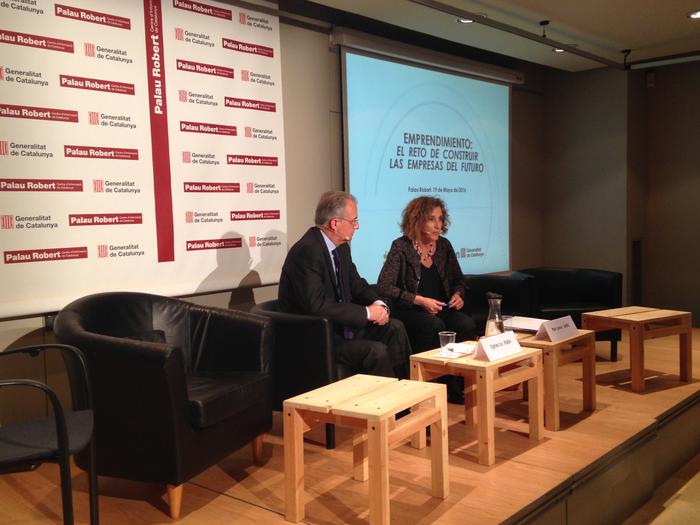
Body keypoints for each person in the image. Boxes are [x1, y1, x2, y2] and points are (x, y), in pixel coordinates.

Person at [278, 191, 411, 378]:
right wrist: (366, 313)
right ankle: (385, 397)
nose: (357, 226)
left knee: (395, 329)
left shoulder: (341, 248)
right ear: (335, 223)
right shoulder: (307, 251)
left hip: (342, 328)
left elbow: (357, 285)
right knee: (375, 352)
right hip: (317, 337)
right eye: (353, 221)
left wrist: (379, 305)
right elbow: (316, 305)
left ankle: (405, 391)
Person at [377, 196, 477, 401]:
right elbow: (384, 286)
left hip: (442, 308)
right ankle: (427, 389)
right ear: (418, 219)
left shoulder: (444, 246)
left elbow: (459, 280)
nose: (438, 225)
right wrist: (418, 300)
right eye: (432, 219)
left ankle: (455, 386)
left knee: (466, 324)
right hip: (411, 310)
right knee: (433, 325)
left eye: (440, 219)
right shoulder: (401, 247)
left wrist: (458, 294)